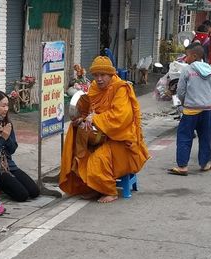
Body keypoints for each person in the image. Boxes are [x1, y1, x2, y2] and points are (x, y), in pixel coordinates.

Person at [59, 56, 150, 203]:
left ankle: (110, 191)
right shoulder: (94, 87)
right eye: (96, 75)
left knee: (97, 161)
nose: (99, 79)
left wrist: (95, 119)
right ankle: (92, 188)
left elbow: (120, 117)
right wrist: (82, 119)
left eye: (103, 75)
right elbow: (88, 110)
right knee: (79, 153)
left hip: (121, 140)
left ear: (111, 74)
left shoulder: (120, 88)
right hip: (101, 135)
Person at [0, 90, 40, 202]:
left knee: (34, 191)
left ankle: (9, 182)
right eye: (3, 106)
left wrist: (7, 137)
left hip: (9, 164)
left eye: (7, 105)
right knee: (22, 195)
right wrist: (2, 138)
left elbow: (12, 149)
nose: (6, 109)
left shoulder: (7, 123)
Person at [167, 43, 211, 176]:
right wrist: (208, 101)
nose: (185, 58)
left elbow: (181, 91)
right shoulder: (210, 70)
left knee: (184, 137)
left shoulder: (187, 70)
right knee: (205, 137)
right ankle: (204, 164)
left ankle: (183, 166)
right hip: (207, 109)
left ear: (194, 56)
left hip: (191, 110)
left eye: (187, 55)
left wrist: (184, 102)